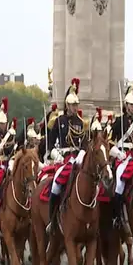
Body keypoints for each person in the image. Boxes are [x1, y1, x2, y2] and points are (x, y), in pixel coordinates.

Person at [46, 78, 91, 233]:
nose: (74, 107)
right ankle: (52, 219)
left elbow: (85, 142)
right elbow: (50, 145)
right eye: (72, 105)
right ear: (67, 105)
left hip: (78, 159)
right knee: (56, 184)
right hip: (64, 159)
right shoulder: (59, 122)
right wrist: (56, 155)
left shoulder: (81, 123)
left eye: (76, 105)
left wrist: (82, 153)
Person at [110, 78, 133, 227]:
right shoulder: (119, 121)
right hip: (121, 156)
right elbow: (110, 142)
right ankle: (116, 215)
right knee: (119, 181)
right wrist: (117, 153)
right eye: (131, 105)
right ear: (126, 105)